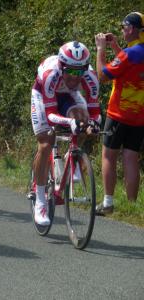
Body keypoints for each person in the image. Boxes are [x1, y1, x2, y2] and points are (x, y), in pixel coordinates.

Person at [30, 41, 101, 225]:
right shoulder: (50, 74)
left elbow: (94, 112)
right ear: (61, 66)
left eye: (80, 71)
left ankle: (73, 155)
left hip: (68, 95)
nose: (74, 76)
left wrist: (92, 124)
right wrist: (70, 122)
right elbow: (51, 114)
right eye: (70, 70)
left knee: (84, 118)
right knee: (46, 142)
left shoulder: (90, 77)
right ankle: (40, 200)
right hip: (43, 96)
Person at [94, 12, 144, 215]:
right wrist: (115, 47)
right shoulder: (134, 52)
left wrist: (100, 49)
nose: (122, 30)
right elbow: (127, 63)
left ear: (131, 29)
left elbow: (103, 75)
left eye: (124, 27)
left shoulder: (129, 55)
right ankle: (132, 207)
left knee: (108, 155)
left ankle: (107, 202)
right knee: (131, 157)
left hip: (118, 114)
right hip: (140, 116)